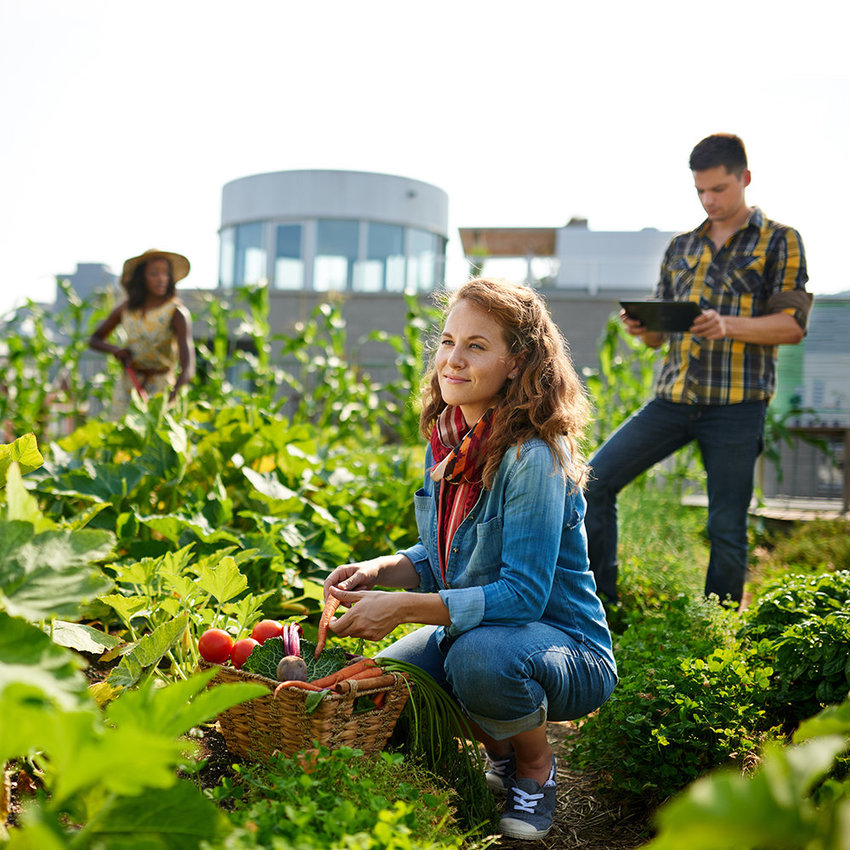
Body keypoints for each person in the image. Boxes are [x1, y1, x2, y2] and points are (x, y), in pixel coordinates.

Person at [322, 278, 617, 841]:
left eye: (476, 346)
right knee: (390, 685)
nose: (453, 360)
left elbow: (523, 596)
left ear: (517, 361)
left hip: (563, 645)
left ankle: (533, 765)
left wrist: (404, 608)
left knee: (479, 660)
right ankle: (500, 744)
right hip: (481, 632)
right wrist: (383, 571)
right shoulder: (451, 441)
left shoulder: (533, 456)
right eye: (448, 341)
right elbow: (445, 555)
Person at [585, 133, 812, 609]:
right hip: (672, 400)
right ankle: (600, 607)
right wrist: (642, 327)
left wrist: (727, 325)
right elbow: (657, 337)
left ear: (745, 179)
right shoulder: (681, 247)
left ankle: (717, 625)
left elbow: (791, 326)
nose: (710, 200)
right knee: (593, 481)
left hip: (737, 407)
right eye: (701, 191)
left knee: (726, 526)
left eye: (720, 189)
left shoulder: (780, 241)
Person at [89, 249, 195, 416]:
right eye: (154, 274)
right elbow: (94, 339)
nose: (161, 279)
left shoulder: (176, 313)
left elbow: (188, 367)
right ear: (141, 278)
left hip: (162, 388)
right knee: (121, 434)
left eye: (166, 274)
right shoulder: (126, 309)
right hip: (129, 384)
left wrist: (171, 397)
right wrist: (116, 351)